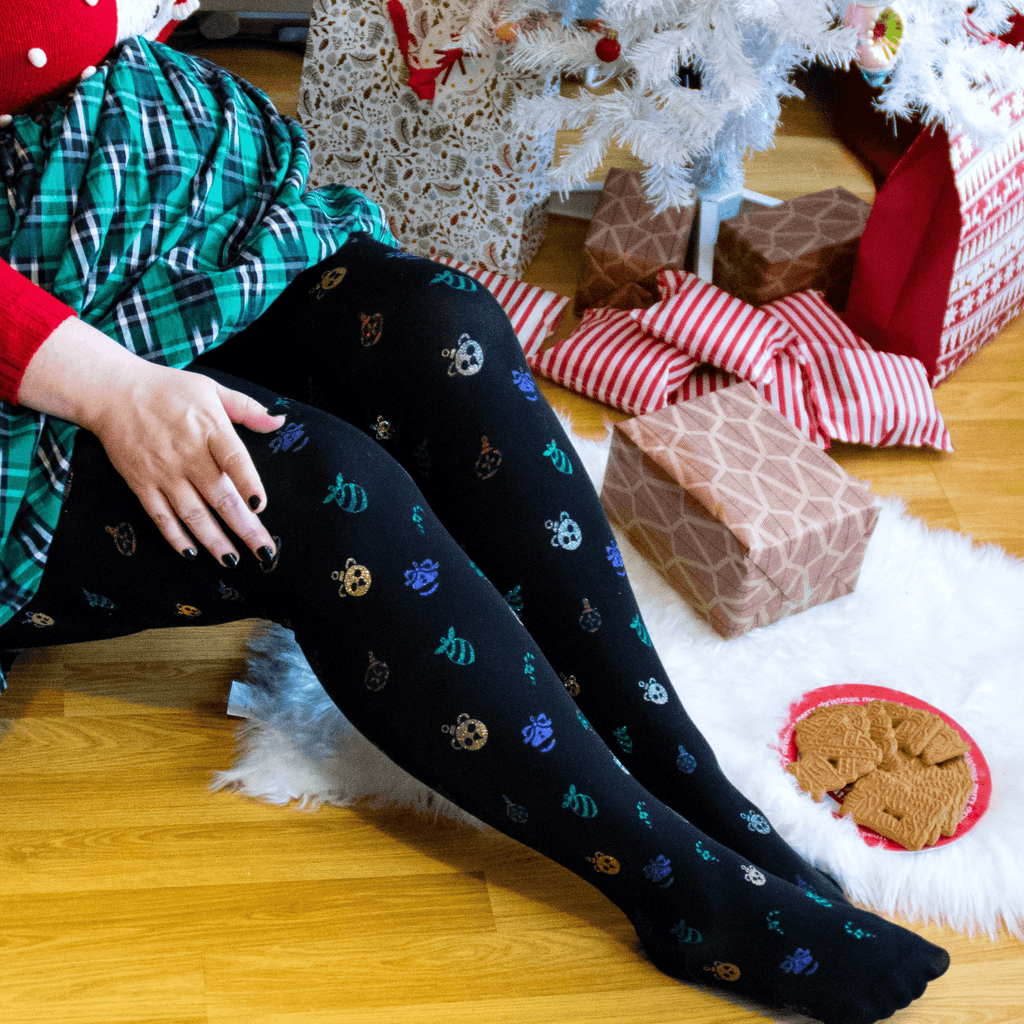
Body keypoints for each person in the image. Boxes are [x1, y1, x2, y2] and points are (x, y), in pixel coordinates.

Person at [0, 5, 949, 1022]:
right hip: (38, 339)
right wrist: (113, 390)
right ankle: (684, 892)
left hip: (137, 209)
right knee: (322, 493)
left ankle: (682, 772)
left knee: (440, 329)